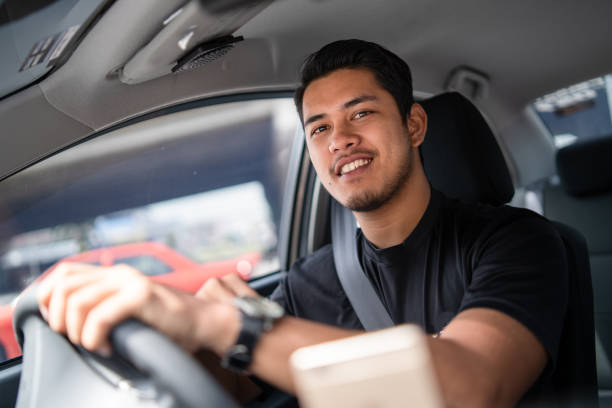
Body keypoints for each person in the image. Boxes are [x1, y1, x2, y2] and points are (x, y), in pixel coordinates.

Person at [37, 39, 567, 407]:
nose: (340, 139)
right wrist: (173, 335)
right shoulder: (306, 283)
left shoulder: (518, 242)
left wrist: (230, 325)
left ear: (413, 124)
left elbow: (474, 388)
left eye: (361, 113)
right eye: (319, 128)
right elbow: (236, 389)